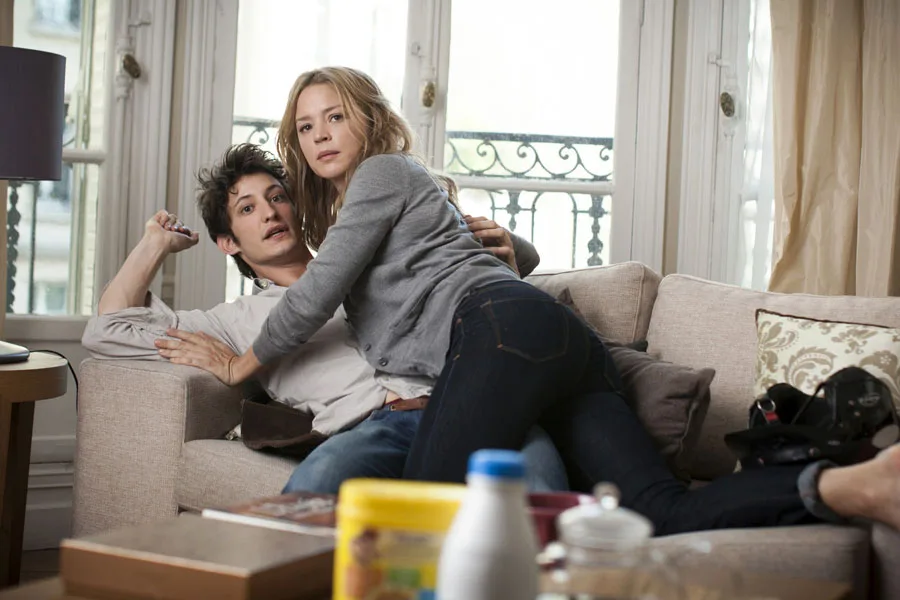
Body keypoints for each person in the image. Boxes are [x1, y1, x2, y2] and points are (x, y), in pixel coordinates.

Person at [166, 67, 900, 536]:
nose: (320, 134)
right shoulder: (393, 199)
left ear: (367, 118)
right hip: (552, 343)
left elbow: (314, 296)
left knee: (422, 503)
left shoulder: (382, 174)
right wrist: (516, 247)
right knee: (659, 510)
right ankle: (851, 486)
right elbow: (480, 257)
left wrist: (239, 367)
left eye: (335, 116)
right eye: (305, 126)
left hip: (500, 330)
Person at [82, 143, 569, 494]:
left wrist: (509, 243)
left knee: (542, 498)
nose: (269, 213)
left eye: (277, 197)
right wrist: (154, 244)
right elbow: (107, 330)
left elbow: (499, 272)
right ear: (228, 243)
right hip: (377, 426)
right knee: (308, 498)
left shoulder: (370, 260)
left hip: (472, 398)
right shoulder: (234, 323)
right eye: (247, 209)